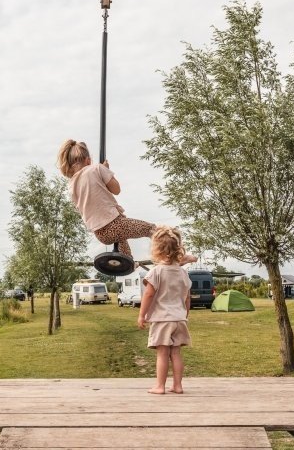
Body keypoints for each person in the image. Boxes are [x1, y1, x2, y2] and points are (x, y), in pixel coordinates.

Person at [57, 139, 155, 261]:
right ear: (88, 160)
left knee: (124, 250)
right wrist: (105, 171)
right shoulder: (96, 169)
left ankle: (127, 262)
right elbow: (116, 189)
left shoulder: (71, 187)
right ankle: (174, 255)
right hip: (114, 225)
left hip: (100, 233)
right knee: (152, 229)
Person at [137, 226, 192, 395]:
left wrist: (142, 315)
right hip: (179, 319)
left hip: (162, 319)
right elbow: (187, 297)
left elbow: (149, 294)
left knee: (162, 353)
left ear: (157, 251)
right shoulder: (183, 273)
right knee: (176, 352)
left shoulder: (156, 272)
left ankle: (160, 386)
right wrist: (185, 313)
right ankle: (177, 385)